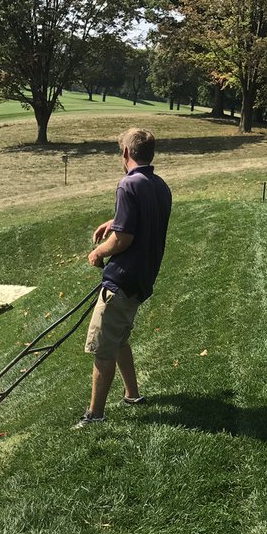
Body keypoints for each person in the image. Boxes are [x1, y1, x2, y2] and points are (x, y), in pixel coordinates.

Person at [77, 128, 173, 427]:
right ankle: (132, 393)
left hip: (122, 277)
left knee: (103, 347)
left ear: (125, 153)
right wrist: (114, 220)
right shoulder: (160, 186)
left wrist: (98, 254)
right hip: (142, 277)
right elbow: (145, 219)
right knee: (120, 339)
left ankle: (95, 415)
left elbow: (124, 239)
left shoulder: (128, 185)